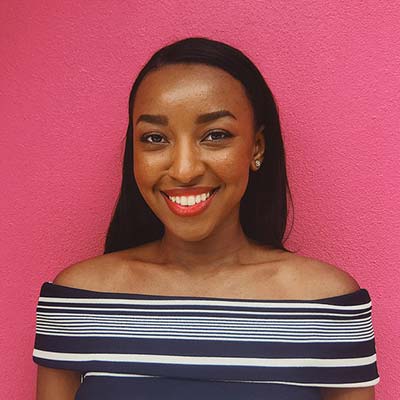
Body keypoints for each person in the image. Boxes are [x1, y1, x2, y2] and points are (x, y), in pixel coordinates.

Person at [33, 37, 380, 400]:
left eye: (215, 135)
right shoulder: (79, 299)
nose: (184, 170)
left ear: (257, 147)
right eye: (155, 138)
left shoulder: (326, 307)